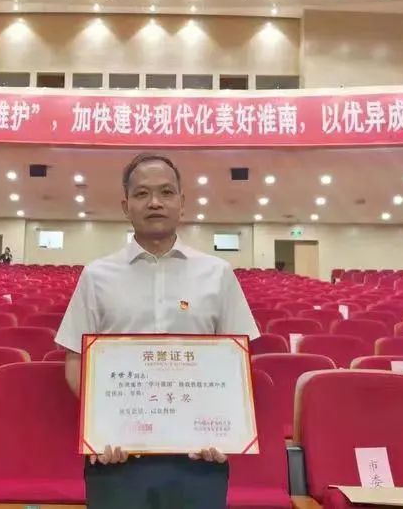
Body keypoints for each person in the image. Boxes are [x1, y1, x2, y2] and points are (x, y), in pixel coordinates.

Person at [55, 153, 259, 508]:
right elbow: (75, 363)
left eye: (166, 192)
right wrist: (103, 426)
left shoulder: (218, 274)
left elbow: (238, 363)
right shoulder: (96, 276)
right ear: (126, 206)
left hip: (200, 458)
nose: (154, 202)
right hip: (116, 458)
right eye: (142, 193)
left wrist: (224, 428)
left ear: (182, 202)